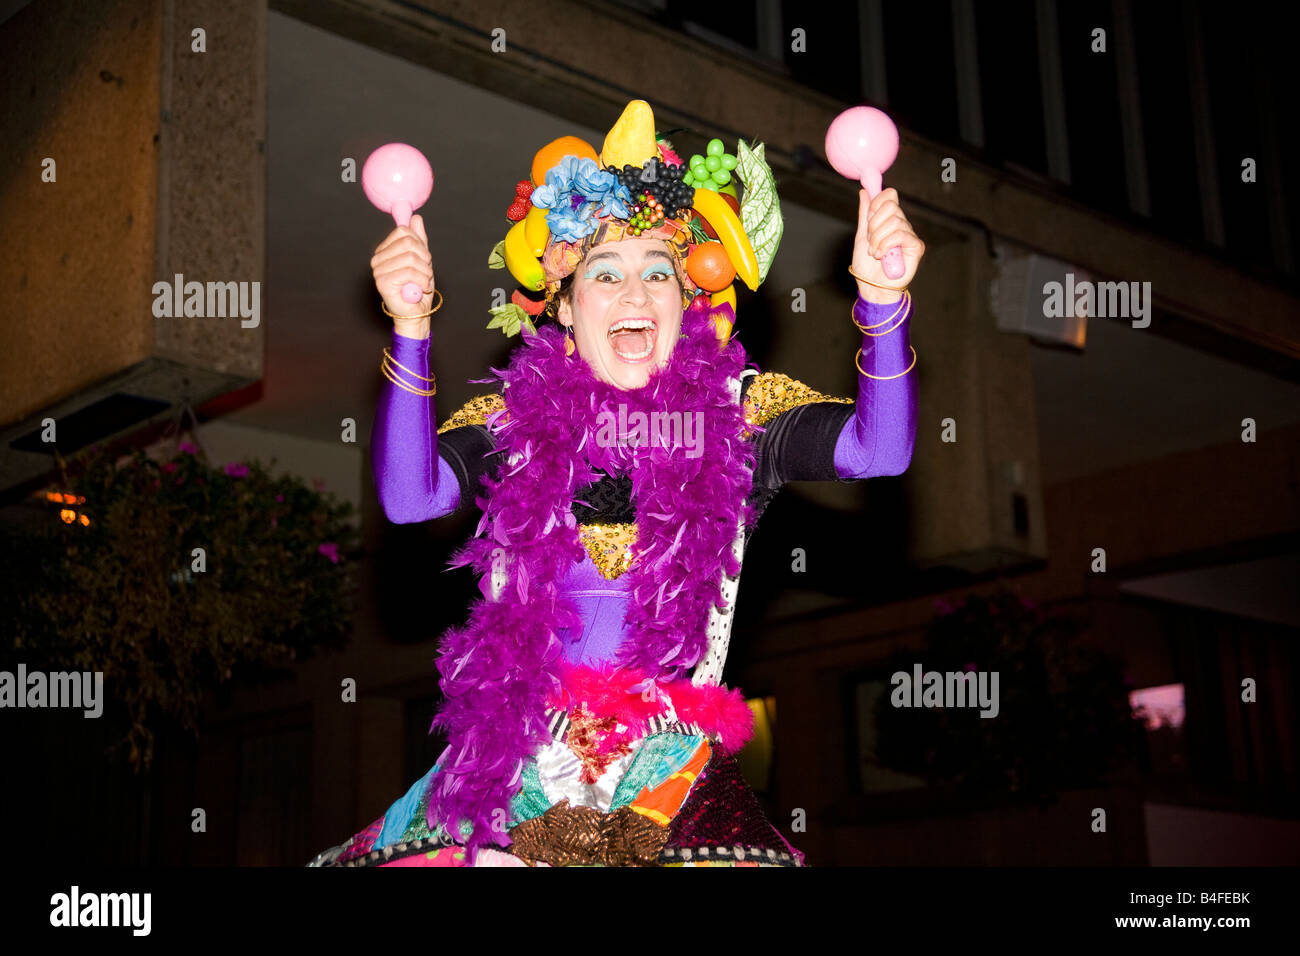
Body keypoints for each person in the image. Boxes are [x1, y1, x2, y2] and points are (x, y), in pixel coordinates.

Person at [309, 100, 923, 867]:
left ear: (687, 300)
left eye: (658, 273)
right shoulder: (508, 420)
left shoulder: (743, 416)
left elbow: (881, 449)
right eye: (606, 273)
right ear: (565, 306)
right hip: (515, 768)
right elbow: (410, 497)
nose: (636, 295)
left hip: (669, 784)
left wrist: (884, 305)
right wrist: (409, 330)